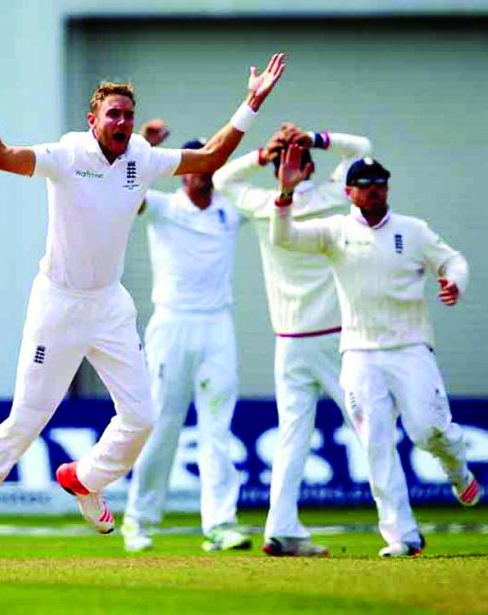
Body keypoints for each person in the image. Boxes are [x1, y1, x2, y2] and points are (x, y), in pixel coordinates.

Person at [0, 48, 286, 559]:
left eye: (128, 114)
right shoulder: (67, 153)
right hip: (57, 304)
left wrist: (250, 104)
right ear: (93, 120)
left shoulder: (141, 159)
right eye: (114, 114)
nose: (122, 122)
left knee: (142, 417)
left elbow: (210, 159)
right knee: (28, 418)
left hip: (109, 306)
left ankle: (85, 478)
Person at [270, 150, 481, 557]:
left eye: (380, 182)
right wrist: (284, 192)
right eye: (365, 184)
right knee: (376, 444)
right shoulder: (335, 231)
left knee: (427, 430)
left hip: (410, 347)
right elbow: (285, 238)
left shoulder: (412, 229)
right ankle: (402, 536)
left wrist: (454, 281)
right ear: (348, 192)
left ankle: (457, 469)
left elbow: (452, 259)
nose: (374, 189)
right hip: (359, 354)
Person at [213, 124, 411, 556]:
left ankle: (280, 529)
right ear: (311, 168)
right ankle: (401, 532)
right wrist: (313, 137)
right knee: (371, 431)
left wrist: (266, 154)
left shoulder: (264, 205)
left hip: (292, 341)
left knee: (293, 437)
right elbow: (362, 146)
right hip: (338, 341)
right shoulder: (330, 198)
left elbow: (222, 178)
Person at [120, 125, 249, 554]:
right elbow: (125, 193)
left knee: (217, 429)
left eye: (208, 165)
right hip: (171, 326)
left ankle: (220, 524)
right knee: (160, 424)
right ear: (181, 173)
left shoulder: (229, 213)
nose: (202, 174)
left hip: (217, 327)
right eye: (194, 167)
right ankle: (138, 520)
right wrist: (147, 147)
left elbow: (276, 210)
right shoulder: (162, 206)